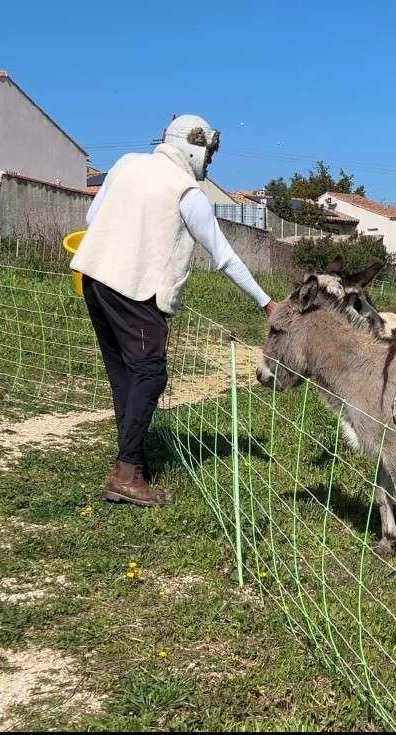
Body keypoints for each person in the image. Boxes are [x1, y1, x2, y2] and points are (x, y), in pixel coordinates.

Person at [72, 114, 275, 507]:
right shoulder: (186, 191)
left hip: (95, 279)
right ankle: (127, 474)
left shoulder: (126, 164)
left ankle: (131, 459)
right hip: (136, 289)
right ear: (194, 147)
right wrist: (265, 300)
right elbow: (223, 254)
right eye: (209, 154)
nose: (209, 162)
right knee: (150, 373)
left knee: (125, 375)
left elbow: (92, 217)